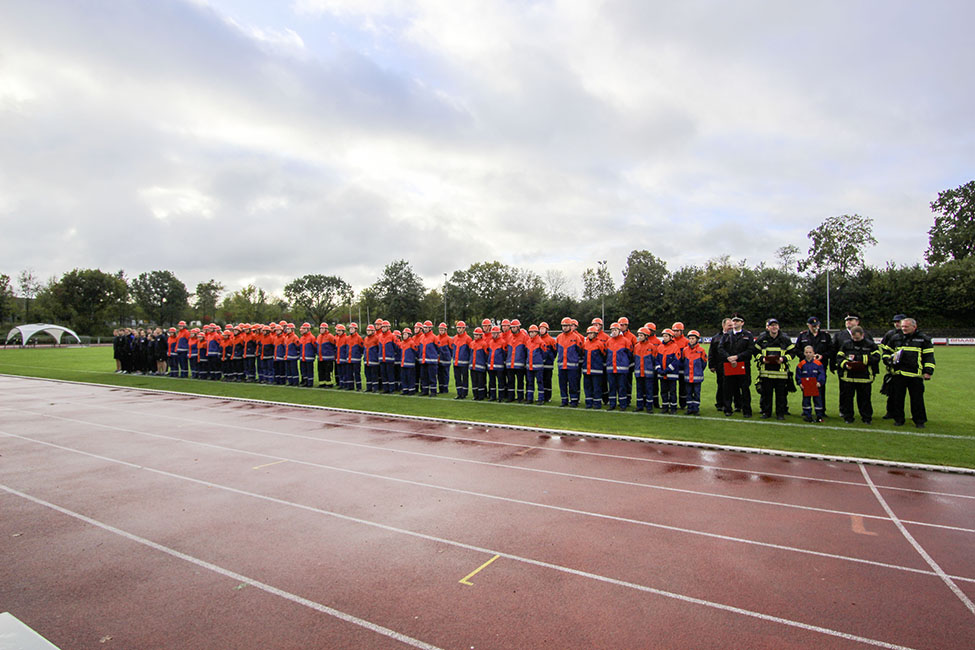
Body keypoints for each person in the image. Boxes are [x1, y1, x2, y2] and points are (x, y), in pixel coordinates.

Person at [883, 318, 935, 428]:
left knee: (917, 399)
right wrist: (887, 360)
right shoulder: (896, 338)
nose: (904, 329)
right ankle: (898, 419)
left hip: (915, 374)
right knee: (898, 398)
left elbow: (929, 357)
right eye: (902, 327)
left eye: (906, 326)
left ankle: (919, 421)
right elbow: (887, 351)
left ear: (914, 327)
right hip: (898, 373)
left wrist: (928, 371)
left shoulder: (923, 339)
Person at [836, 326, 880, 423]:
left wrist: (859, 359)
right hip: (848, 377)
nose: (855, 340)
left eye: (857, 338)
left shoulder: (870, 345)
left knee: (864, 399)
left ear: (862, 335)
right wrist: (845, 365)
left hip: (864, 377)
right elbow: (839, 357)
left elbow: (877, 357)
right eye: (854, 338)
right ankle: (848, 418)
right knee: (847, 399)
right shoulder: (846, 344)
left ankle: (866, 418)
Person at [754, 318, 794, 420]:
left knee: (781, 395)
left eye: (775, 325)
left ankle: (780, 414)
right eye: (771, 325)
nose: (774, 327)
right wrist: (762, 359)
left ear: (778, 327)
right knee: (767, 394)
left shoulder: (785, 339)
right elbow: (755, 352)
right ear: (768, 327)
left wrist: (783, 359)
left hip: (781, 372)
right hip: (766, 372)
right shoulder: (762, 338)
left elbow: (792, 353)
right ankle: (766, 413)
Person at [792, 317, 833, 416]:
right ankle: (806, 410)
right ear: (808, 325)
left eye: (817, 325)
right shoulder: (803, 336)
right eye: (813, 325)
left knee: (820, 389)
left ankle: (821, 410)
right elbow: (796, 350)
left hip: (820, 366)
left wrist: (822, 356)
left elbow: (831, 350)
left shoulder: (825, 336)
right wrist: (806, 356)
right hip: (806, 367)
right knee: (806, 390)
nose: (815, 327)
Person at [717, 314, 754, 417]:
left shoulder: (748, 335)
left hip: (743, 365)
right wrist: (728, 357)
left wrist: (737, 357)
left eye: (738, 321)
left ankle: (746, 410)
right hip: (729, 365)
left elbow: (750, 350)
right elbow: (720, 348)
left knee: (745, 388)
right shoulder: (727, 335)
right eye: (734, 321)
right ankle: (728, 409)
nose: (735, 323)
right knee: (728, 388)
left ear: (742, 323)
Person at [879, 314, 906, 419]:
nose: (897, 324)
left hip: (909, 368)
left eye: (899, 322)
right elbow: (883, 346)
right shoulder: (890, 334)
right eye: (895, 322)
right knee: (892, 392)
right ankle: (890, 412)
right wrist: (888, 358)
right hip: (894, 367)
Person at [795, 344, 826, 422]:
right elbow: (798, 375)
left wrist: (819, 382)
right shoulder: (801, 364)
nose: (808, 354)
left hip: (816, 386)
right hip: (806, 386)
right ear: (804, 353)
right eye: (806, 352)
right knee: (806, 400)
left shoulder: (818, 364)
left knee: (818, 400)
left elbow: (822, 374)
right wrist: (800, 383)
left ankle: (819, 416)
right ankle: (808, 415)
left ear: (813, 353)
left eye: (810, 352)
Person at [556, 317, 583, 407]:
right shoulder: (559, 337)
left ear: (570, 326)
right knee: (562, 385)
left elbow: (580, 351)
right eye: (563, 326)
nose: (564, 327)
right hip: (561, 366)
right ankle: (564, 400)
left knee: (573, 385)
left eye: (566, 326)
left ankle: (574, 401)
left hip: (572, 367)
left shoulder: (576, 337)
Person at [605, 322, 631, 410]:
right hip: (611, 369)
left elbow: (630, 354)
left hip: (622, 370)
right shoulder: (609, 341)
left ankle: (623, 405)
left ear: (619, 330)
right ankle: (612, 404)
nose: (614, 332)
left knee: (622, 388)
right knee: (612, 388)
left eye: (615, 330)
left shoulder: (626, 341)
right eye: (612, 330)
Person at [632, 327, 658, 413]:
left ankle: (649, 407)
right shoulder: (636, 346)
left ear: (646, 336)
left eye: (641, 335)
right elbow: (635, 358)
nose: (639, 337)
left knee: (649, 390)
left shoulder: (652, 347)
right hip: (639, 373)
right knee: (639, 390)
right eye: (639, 335)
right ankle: (639, 406)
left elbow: (654, 360)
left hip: (648, 373)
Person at [657, 329, 682, 414]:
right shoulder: (660, 347)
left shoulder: (675, 347)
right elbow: (657, 360)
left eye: (666, 336)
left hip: (672, 375)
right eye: (663, 336)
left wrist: (666, 370)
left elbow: (676, 361)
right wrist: (659, 369)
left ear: (671, 337)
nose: (664, 338)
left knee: (672, 392)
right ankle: (665, 407)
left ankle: (673, 408)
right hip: (662, 374)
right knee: (663, 391)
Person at [709, 319, 732, 411]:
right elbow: (712, 352)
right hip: (720, 365)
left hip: (733, 364)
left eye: (732, 325)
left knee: (734, 386)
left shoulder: (734, 336)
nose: (731, 327)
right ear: (723, 325)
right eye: (729, 325)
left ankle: (737, 404)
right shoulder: (716, 338)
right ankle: (720, 403)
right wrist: (711, 365)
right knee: (721, 385)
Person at [682, 330, 707, 415]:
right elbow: (683, 362)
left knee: (696, 393)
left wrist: (698, 371)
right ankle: (689, 408)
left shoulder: (701, 350)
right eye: (690, 338)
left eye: (693, 338)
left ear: (697, 339)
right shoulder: (685, 350)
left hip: (697, 376)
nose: (691, 340)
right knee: (688, 393)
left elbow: (704, 363)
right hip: (688, 377)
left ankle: (696, 409)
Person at [582, 325, 607, 409]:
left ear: (596, 334)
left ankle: (597, 404)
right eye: (589, 333)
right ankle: (588, 403)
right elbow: (583, 355)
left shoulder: (600, 344)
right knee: (587, 388)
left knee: (597, 388)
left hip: (597, 370)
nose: (590, 335)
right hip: (586, 370)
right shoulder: (585, 344)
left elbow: (604, 354)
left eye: (592, 333)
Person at [506, 319, 529, 402]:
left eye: (514, 327)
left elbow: (527, 350)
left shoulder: (524, 337)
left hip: (520, 364)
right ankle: (510, 397)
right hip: (510, 364)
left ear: (519, 327)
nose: (513, 329)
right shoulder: (509, 337)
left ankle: (520, 397)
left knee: (520, 381)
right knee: (510, 382)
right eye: (512, 327)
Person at [451, 321, 473, 399]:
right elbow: (452, 349)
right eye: (458, 328)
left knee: (465, 378)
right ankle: (459, 393)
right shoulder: (454, 338)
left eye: (461, 328)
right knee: (457, 378)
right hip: (456, 363)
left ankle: (464, 393)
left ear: (464, 328)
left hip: (464, 363)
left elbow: (471, 351)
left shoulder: (468, 338)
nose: (459, 329)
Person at [525, 325, 545, 404]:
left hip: (538, 366)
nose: (531, 334)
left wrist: (540, 361)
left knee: (539, 382)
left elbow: (544, 353)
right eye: (530, 332)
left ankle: (541, 399)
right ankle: (530, 398)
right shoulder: (528, 342)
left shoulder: (540, 342)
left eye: (533, 332)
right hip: (529, 366)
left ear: (537, 333)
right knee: (530, 382)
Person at [537, 322, 557, 403]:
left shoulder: (551, 340)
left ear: (547, 330)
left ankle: (548, 396)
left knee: (548, 380)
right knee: (541, 380)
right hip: (539, 364)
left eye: (543, 328)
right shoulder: (537, 339)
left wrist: (551, 359)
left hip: (548, 364)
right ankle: (542, 396)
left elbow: (555, 351)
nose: (541, 330)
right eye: (540, 328)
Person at [671, 322, 689, 408]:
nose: (675, 333)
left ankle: (683, 404)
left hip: (682, 368)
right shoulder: (671, 341)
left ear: (681, 331)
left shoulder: (686, 341)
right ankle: (672, 403)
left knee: (683, 388)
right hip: (672, 368)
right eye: (674, 331)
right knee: (672, 388)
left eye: (677, 331)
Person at [486, 325, 507, 402]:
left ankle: (501, 397)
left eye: (496, 333)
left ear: (499, 333)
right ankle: (493, 396)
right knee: (492, 382)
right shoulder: (490, 342)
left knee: (500, 382)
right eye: (493, 333)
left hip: (499, 366)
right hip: (491, 366)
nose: (494, 335)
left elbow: (504, 354)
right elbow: (488, 352)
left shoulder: (503, 342)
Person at [470, 327, 488, 401]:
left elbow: (486, 355)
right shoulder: (471, 343)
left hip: (481, 366)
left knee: (481, 382)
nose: (476, 336)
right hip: (472, 366)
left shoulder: (484, 344)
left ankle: (481, 396)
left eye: (477, 335)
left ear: (481, 335)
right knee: (474, 382)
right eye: (475, 335)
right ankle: (475, 395)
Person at [399, 327, 418, 395]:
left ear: (409, 335)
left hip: (410, 364)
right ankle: (405, 390)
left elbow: (416, 352)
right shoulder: (401, 343)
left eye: (406, 334)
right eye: (403, 334)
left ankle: (411, 390)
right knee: (404, 378)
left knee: (410, 378)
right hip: (403, 364)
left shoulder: (412, 343)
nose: (404, 336)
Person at [299, 323, 318, 388]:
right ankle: (305, 381)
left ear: (308, 329)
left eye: (304, 328)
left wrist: (313, 354)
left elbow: (315, 347)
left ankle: (310, 383)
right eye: (302, 328)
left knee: (309, 371)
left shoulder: (312, 337)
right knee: (303, 370)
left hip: (309, 357)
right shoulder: (301, 338)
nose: (303, 330)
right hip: (303, 357)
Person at [317, 323, 336, 388]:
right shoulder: (319, 336)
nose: (321, 329)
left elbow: (335, 344)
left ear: (326, 329)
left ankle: (329, 383)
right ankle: (322, 383)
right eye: (320, 328)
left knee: (328, 371)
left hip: (328, 358)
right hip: (320, 358)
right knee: (321, 371)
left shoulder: (330, 336)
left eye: (322, 328)